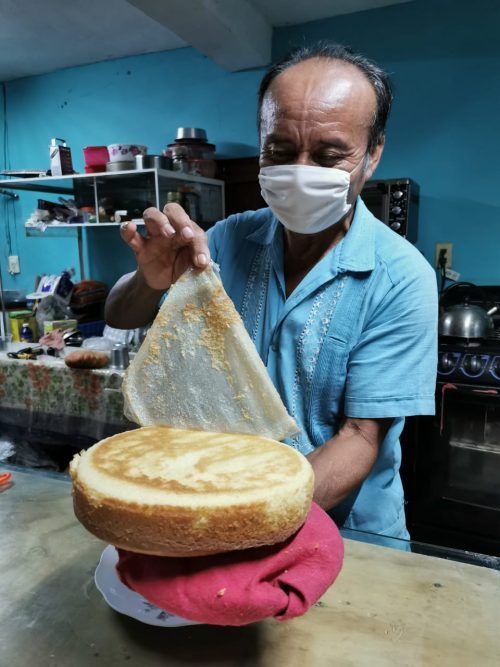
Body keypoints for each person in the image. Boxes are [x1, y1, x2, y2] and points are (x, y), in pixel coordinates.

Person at [105, 42, 437, 539]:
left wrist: (242, 521)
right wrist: (149, 282)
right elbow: (120, 314)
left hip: (346, 534)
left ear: (372, 154)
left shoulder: (400, 278)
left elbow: (361, 437)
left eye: (329, 156)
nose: (301, 171)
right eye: (280, 152)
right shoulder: (226, 240)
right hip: (221, 508)